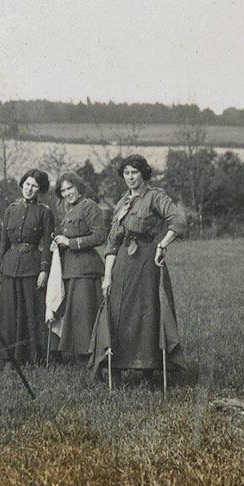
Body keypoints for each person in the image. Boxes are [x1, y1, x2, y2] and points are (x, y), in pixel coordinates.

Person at [90, 154, 188, 381]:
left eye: (134, 172)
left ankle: (147, 367)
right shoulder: (121, 203)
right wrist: (107, 276)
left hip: (146, 263)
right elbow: (112, 242)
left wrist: (162, 245)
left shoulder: (155, 196)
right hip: (122, 264)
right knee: (117, 312)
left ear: (144, 173)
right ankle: (116, 365)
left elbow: (178, 221)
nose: (130, 177)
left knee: (145, 315)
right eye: (126, 173)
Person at [0, 169, 55, 366]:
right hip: (10, 266)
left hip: (32, 266)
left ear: (40, 189)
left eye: (34, 186)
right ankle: (8, 356)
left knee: (31, 311)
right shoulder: (11, 209)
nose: (29, 189)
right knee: (9, 312)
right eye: (27, 184)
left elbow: (47, 245)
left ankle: (33, 357)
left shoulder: (45, 212)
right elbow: (4, 243)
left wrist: (44, 270)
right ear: (22, 185)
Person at [51, 172, 107, 362]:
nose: (67, 193)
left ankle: (90, 355)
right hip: (71, 269)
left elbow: (100, 236)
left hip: (86, 269)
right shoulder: (69, 211)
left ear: (78, 187)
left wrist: (71, 242)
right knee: (76, 314)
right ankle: (80, 355)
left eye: (70, 188)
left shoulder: (89, 207)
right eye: (63, 190)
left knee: (86, 314)